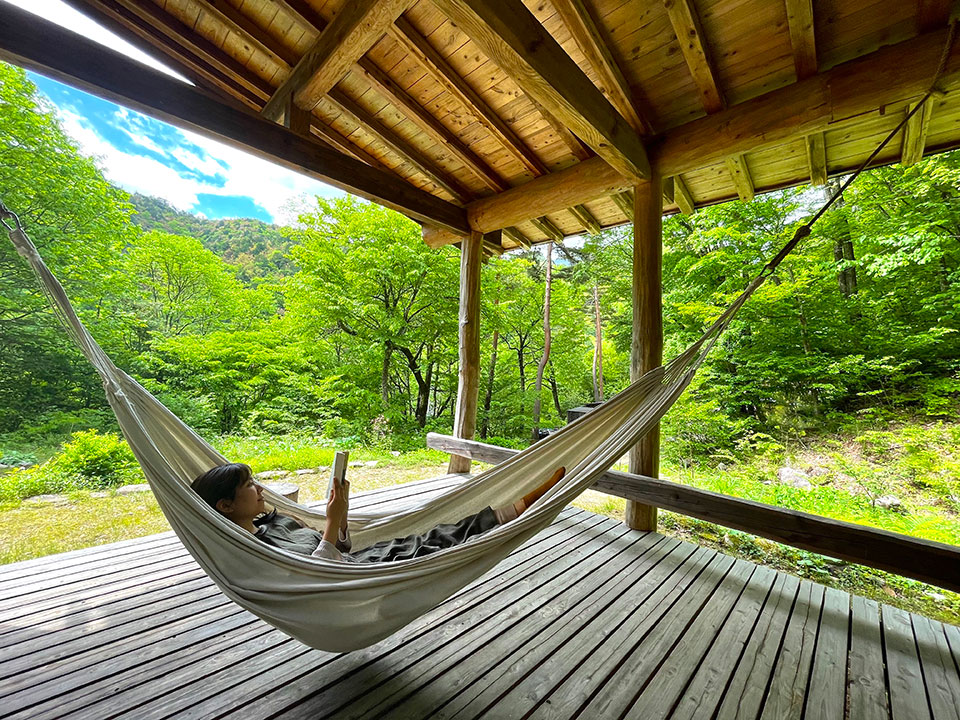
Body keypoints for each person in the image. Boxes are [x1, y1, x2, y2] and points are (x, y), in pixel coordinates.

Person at [191, 463, 566, 563]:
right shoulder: (254, 549)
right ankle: (522, 505)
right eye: (249, 487)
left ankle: (519, 505)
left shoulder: (275, 520)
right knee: (439, 542)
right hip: (357, 578)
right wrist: (334, 517)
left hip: (360, 559)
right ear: (225, 505)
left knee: (432, 532)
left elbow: (340, 546)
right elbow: (319, 575)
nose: (261, 489)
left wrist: (342, 516)